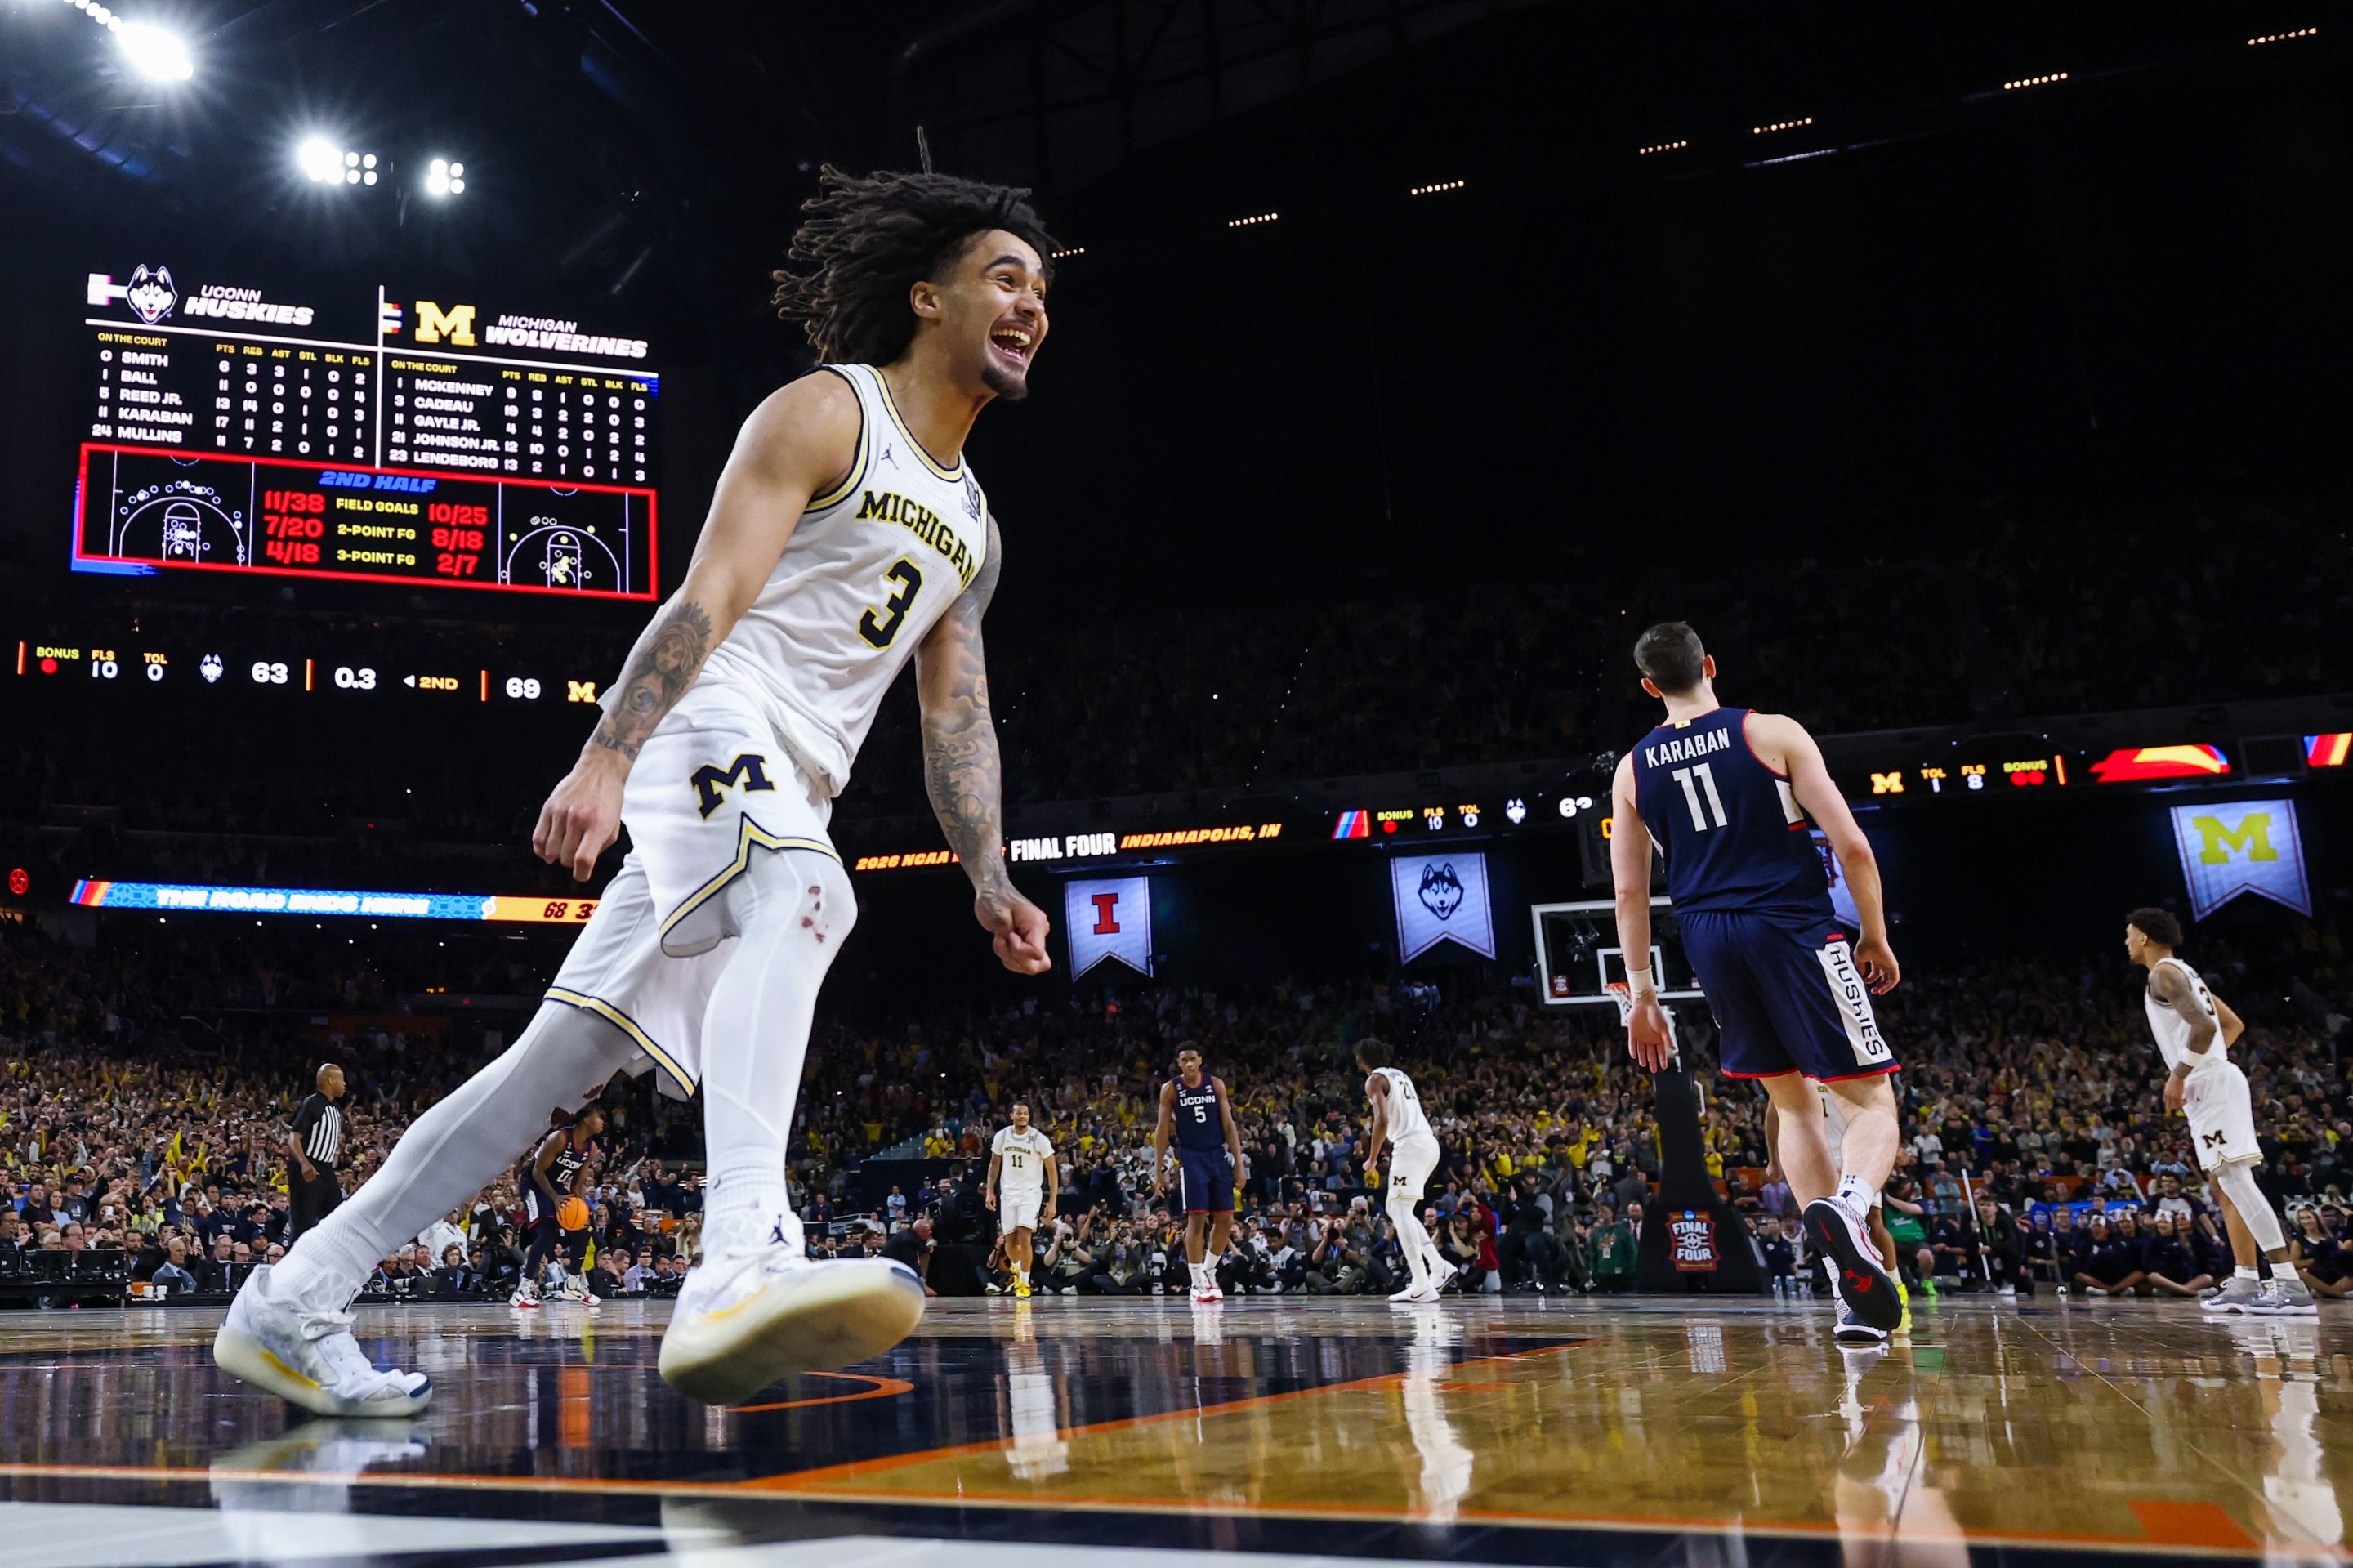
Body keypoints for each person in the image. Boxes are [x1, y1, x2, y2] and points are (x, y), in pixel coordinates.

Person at [212, 167, 1061, 1417]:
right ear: (929, 297)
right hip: (711, 715)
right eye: (1005, 276)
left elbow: (955, 713)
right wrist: (609, 752)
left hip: (790, 783)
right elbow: (707, 596)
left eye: (1041, 288)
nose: (1031, 303)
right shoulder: (829, 412)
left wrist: (988, 874)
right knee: (813, 897)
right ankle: (740, 1253)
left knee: (550, 1068)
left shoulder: (973, 526)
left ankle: (296, 1292)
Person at [1613, 622, 1904, 1340]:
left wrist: (1643, 992)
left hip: (1708, 936)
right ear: (1710, 664)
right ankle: (1851, 1204)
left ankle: (1847, 1295)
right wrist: (1874, 932)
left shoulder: (1631, 769)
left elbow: (1629, 892)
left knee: (1794, 1105)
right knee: (1870, 1100)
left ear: (1649, 686)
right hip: (1789, 924)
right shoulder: (1770, 732)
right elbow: (1853, 845)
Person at [2125, 908, 2316, 1316]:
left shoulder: (2164, 975)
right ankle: (2246, 1278)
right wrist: (2206, 1064)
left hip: (2210, 1084)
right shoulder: (2186, 973)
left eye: (2129, 934)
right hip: (2212, 1079)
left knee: (2236, 1180)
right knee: (2223, 1184)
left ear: (2144, 937)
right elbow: (2233, 1025)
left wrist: (2181, 1074)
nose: (2126, 942)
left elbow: (2207, 1029)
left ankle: (2289, 1282)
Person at [1357, 1037, 1452, 1303]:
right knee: (1401, 1210)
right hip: (1428, 1143)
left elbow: (1382, 1120)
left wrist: (1372, 1159)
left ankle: (1421, 1283)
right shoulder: (1400, 1075)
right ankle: (1438, 1266)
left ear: (1362, 1059)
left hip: (1410, 1146)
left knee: (1398, 1210)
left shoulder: (1374, 1080)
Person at [1151, 1044, 1246, 1304]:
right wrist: (1158, 1169)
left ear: (1200, 1060)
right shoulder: (1171, 1089)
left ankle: (1209, 1270)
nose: (1190, 1064)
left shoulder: (1215, 1084)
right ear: (1179, 1063)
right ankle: (1196, 1281)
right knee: (1197, 1219)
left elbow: (1229, 1125)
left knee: (1225, 1219)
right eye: (1185, 1060)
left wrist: (1239, 1162)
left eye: (1193, 1059)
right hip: (1191, 1157)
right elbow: (1162, 1129)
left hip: (1217, 1154)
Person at [511, 1105, 605, 1309]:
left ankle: (572, 1285)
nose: (603, 1123)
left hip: (555, 1187)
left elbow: (577, 1184)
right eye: (599, 1118)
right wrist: (554, 1198)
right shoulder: (560, 1138)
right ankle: (522, 1290)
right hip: (533, 1184)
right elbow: (536, 1172)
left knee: (583, 1231)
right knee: (546, 1232)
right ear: (587, 1120)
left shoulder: (591, 1148)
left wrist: (582, 1208)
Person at [985, 1102, 1056, 1299]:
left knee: (1025, 1236)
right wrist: (990, 1191)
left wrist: (1052, 1201)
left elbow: (1052, 1171)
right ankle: (1018, 1271)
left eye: (1026, 1113)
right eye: (1019, 1113)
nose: (1023, 1116)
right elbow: (994, 1164)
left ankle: (1025, 1283)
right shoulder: (1002, 1136)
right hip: (1008, 1193)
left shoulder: (1039, 1139)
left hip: (1030, 1193)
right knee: (1010, 1242)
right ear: (1012, 1115)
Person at [286, 1063, 347, 1244]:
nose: (345, 1084)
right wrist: (304, 1163)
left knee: (338, 1218)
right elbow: (293, 1138)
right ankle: (294, 1261)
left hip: (326, 1170)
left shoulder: (334, 1107)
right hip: (308, 1167)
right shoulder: (313, 1103)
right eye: (342, 1079)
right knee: (303, 1225)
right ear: (331, 1081)